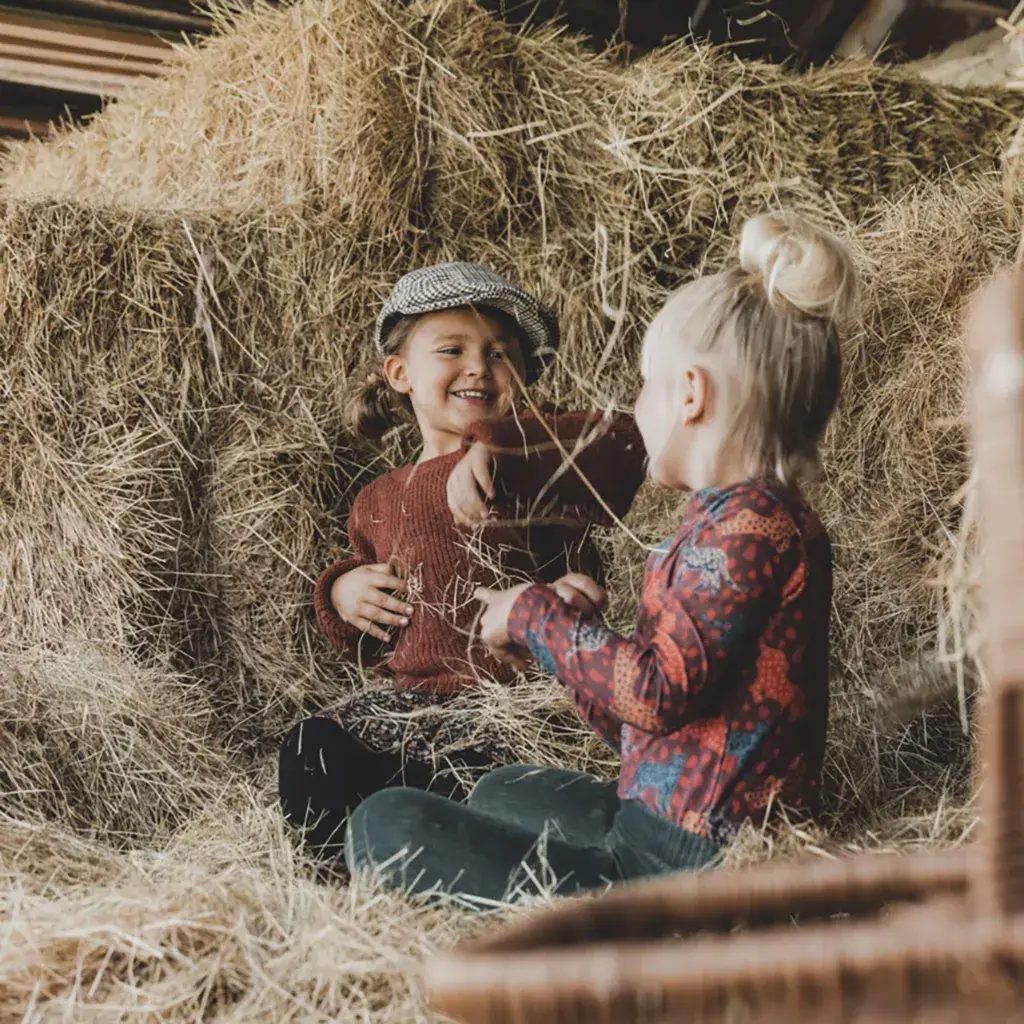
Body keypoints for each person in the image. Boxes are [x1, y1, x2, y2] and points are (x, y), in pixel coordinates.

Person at [345, 212, 857, 903]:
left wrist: (530, 614)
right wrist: (569, 640)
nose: (636, 408)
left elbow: (653, 694)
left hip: (692, 864)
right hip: (670, 817)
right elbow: (648, 726)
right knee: (503, 787)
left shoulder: (745, 531)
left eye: (646, 387)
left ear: (691, 395)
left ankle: (616, 911)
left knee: (386, 824)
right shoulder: (738, 519)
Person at [278, 262, 645, 870]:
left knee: (498, 795)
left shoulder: (528, 463)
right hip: (412, 717)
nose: (479, 366)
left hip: (509, 717)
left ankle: (456, 851)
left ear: (523, 379)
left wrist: (563, 598)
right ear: (400, 374)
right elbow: (365, 637)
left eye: (500, 354)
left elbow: (589, 542)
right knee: (311, 750)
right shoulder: (377, 498)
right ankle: (343, 877)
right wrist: (343, 592)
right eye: (452, 349)